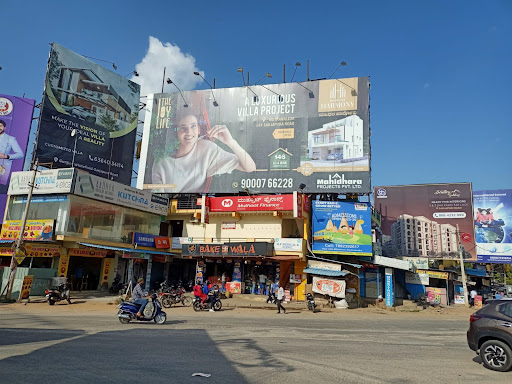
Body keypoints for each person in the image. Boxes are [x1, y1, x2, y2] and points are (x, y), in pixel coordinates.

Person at [152, 113, 256, 193]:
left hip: (199, 209)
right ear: (176, 132)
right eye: (183, 128)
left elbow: (250, 167)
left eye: (193, 126)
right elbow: (157, 198)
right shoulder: (160, 161)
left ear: (199, 130)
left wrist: (231, 142)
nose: (189, 132)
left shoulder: (207, 149)